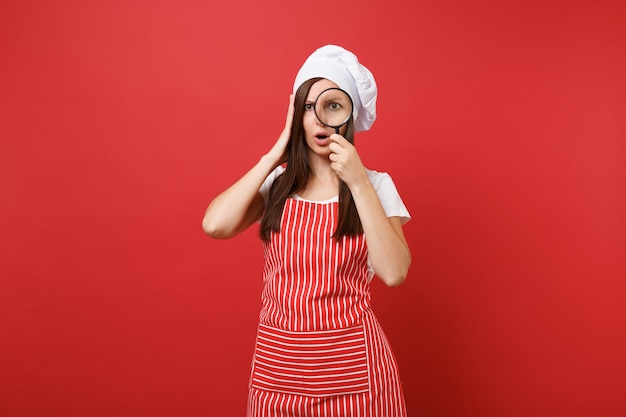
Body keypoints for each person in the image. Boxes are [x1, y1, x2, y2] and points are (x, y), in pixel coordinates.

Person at [203, 45, 411, 417]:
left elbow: (394, 272)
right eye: (307, 107)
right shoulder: (278, 184)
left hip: (354, 378)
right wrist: (274, 153)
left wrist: (358, 182)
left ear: (351, 115)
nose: (319, 119)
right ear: (295, 115)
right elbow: (215, 225)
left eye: (332, 105)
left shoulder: (376, 186)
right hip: (277, 375)